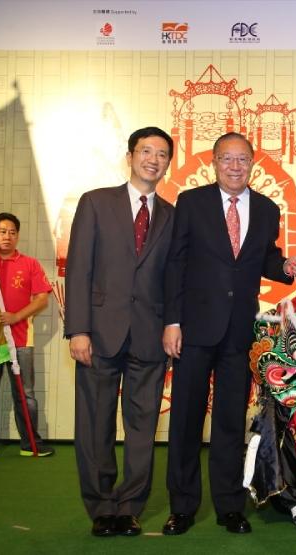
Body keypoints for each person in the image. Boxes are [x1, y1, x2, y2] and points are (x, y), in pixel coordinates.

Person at [161, 132, 296, 536]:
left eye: (243, 159)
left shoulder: (266, 208)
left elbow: (267, 259)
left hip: (239, 332)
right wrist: (172, 321)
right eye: (227, 158)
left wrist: (285, 270)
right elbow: (175, 264)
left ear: (252, 163)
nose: (235, 166)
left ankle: (229, 505)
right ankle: (183, 506)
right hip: (193, 328)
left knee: (229, 422)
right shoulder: (191, 203)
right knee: (186, 421)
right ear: (214, 161)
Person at [64, 126, 175, 537]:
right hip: (98, 333)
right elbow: (78, 268)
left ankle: (129, 507)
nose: (153, 159)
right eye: (146, 151)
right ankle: (100, 506)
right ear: (129, 156)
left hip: (149, 337)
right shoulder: (96, 203)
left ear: (168, 163)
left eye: (162, 154)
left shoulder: (172, 215)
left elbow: (173, 280)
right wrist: (78, 329)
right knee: (94, 424)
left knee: (143, 428)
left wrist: (171, 325)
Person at [0, 213, 54, 458]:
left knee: (25, 393)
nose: (8, 236)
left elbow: (41, 299)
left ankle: (30, 443)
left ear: (18, 235)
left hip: (21, 340)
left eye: (12, 232)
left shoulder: (30, 264)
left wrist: (16, 317)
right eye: (2, 231)